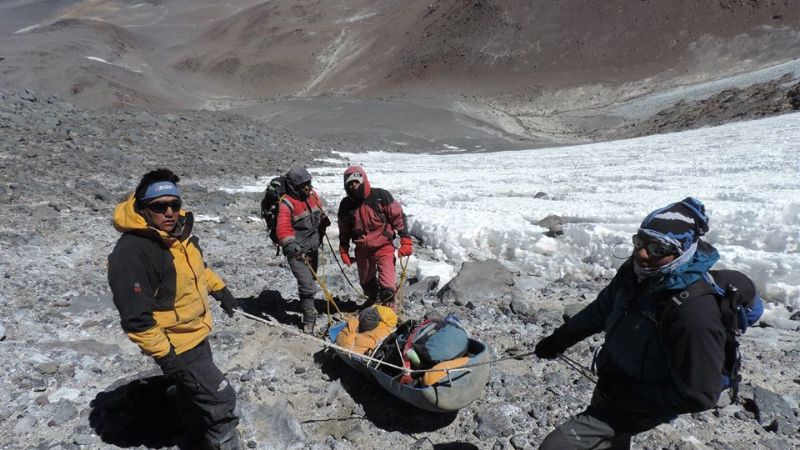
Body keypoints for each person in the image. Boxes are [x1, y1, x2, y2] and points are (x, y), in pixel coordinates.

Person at [534, 197, 763, 450]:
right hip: (618, 379)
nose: (642, 254)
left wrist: (626, 396)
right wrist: (559, 340)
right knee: (611, 441)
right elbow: (601, 309)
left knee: (557, 446)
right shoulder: (636, 272)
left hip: (645, 397)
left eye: (658, 249)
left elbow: (699, 394)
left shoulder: (694, 314)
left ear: (683, 251)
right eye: (640, 242)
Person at [108, 169, 240, 450]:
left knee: (193, 396)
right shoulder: (134, 252)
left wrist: (221, 290)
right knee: (222, 400)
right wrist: (167, 358)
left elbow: (197, 271)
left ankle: (195, 439)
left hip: (196, 332)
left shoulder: (178, 236)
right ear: (142, 208)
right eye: (159, 206)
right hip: (176, 344)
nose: (169, 212)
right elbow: (136, 320)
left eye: (174, 205)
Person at [337, 165, 412, 308]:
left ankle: (389, 316)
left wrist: (406, 240)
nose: (353, 186)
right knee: (366, 282)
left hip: (384, 247)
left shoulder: (380, 196)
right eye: (350, 184)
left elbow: (398, 216)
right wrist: (343, 249)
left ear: (363, 180)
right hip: (362, 250)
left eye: (356, 182)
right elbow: (344, 230)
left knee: (388, 286)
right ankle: (373, 301)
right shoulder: (345, 206)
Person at [275, 166, 330, 333]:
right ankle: (309, 320)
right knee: (307, 286)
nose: (308, 188)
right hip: (297, 254)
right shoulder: (287, 203)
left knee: (311, 280)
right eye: (304, 185)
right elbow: (283, 229)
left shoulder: (312, 196)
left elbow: (319, 210)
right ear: (294, 186)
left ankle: (307, 306)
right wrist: (291, 246)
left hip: (312, 249)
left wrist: (323, 219)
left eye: (309, 183)